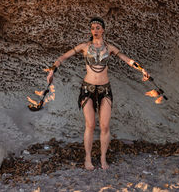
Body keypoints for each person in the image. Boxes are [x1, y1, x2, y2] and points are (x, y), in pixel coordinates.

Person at [46, 17, 150, 170]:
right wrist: (52, 70)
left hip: (105, 89)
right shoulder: (84, 46)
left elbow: (128, 60)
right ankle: (88, 158)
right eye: (92, 27)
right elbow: (63, 57)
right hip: (87, 89)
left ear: (103, 30)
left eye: (98, 27)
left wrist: (142, 70)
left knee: (105, 126)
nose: (95, 30)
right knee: (90, 124)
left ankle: (103, 158)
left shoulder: (110, 48)